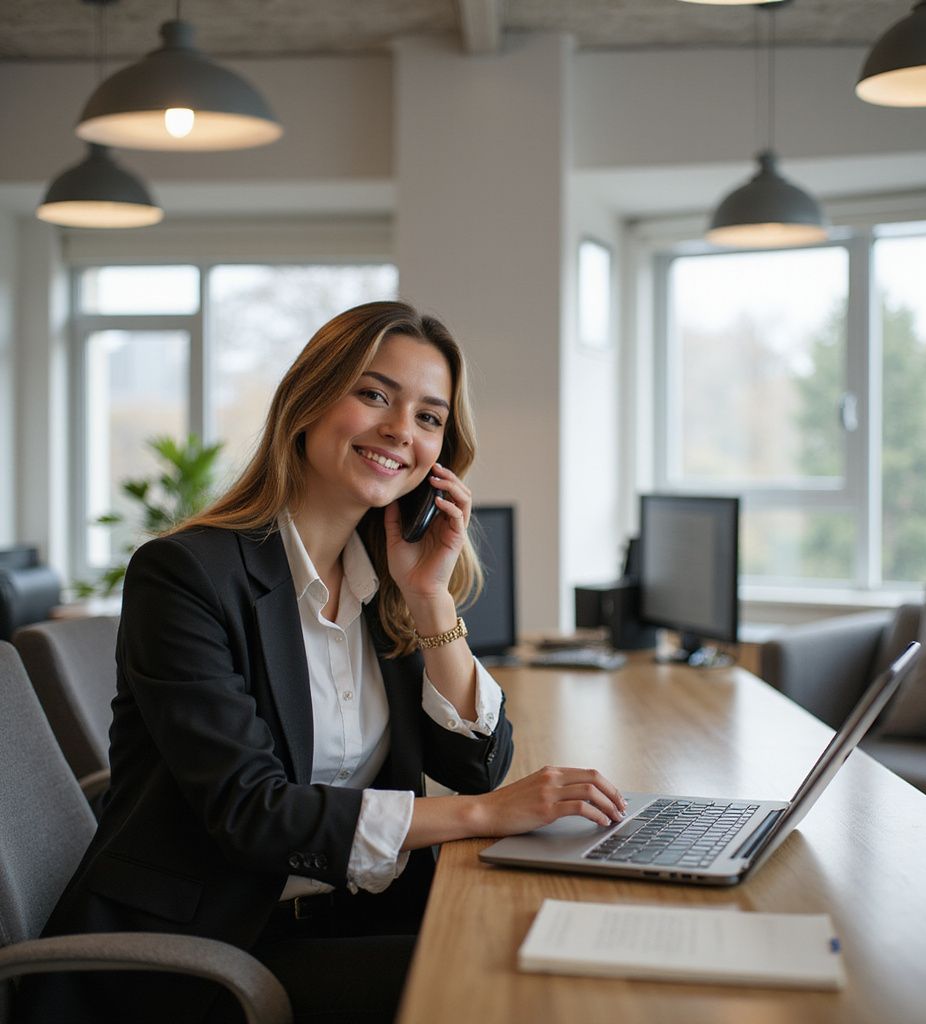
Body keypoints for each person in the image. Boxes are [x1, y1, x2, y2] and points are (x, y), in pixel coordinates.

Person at [17, 301, 626, 1024]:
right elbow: (252, 812)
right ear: (306, 402)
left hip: (352, 916)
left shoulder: (382, 585)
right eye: (374, 395)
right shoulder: (187, 576)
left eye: (430, 417)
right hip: (207, 948)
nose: (402, 430)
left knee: (558, 943)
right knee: (513, 991)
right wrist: (485, 815)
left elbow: (476, 765)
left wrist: (430, 596)